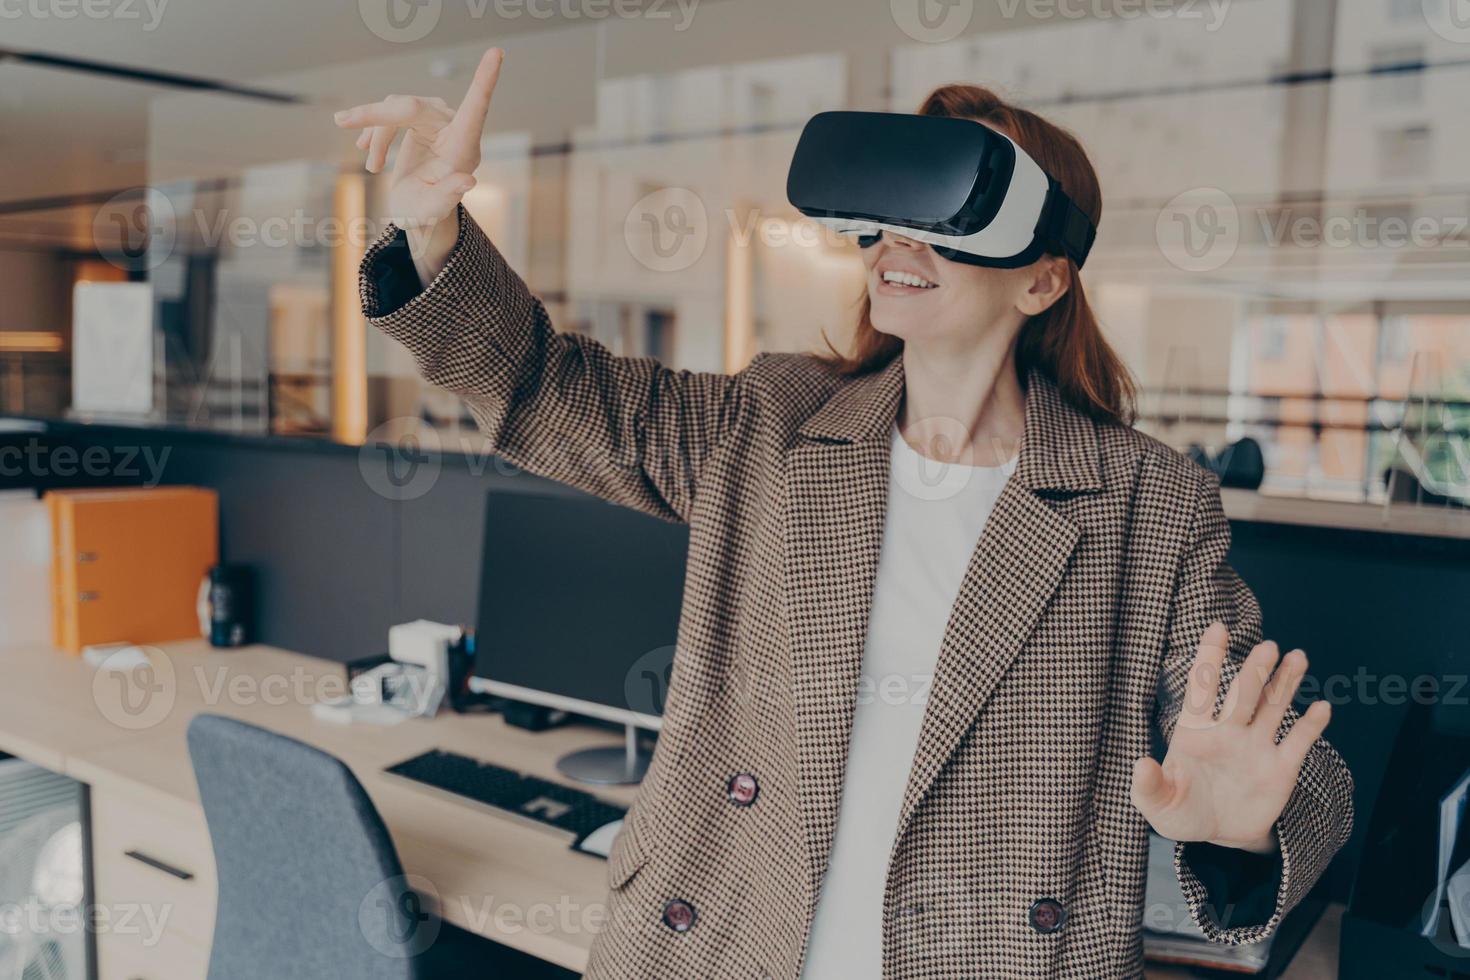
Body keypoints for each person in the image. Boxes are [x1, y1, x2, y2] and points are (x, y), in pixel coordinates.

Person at [335, 47, 1353, 979]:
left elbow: (1287, 769)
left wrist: (1245, 829)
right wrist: (435, 228)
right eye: (888, 210)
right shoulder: (772, 423)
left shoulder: (1147, 505)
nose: (896, 243)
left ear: (1042, 279)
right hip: (724, 947)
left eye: (948, 215)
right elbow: (545, 388)